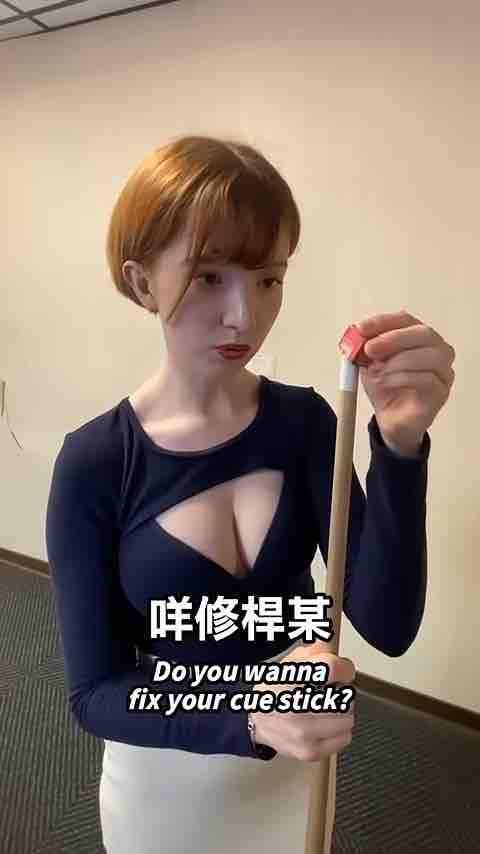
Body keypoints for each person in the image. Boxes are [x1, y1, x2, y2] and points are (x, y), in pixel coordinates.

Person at [45, 135, 431, 854]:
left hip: (294, 775)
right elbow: (94, 694)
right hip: (165, 783)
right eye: (209, 277)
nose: (244, 317)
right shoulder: (95, 461)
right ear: (142, 283)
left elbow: (387, 624)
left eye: (267, 280)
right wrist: (250, 713)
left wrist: (400, 448)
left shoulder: (305, 423)